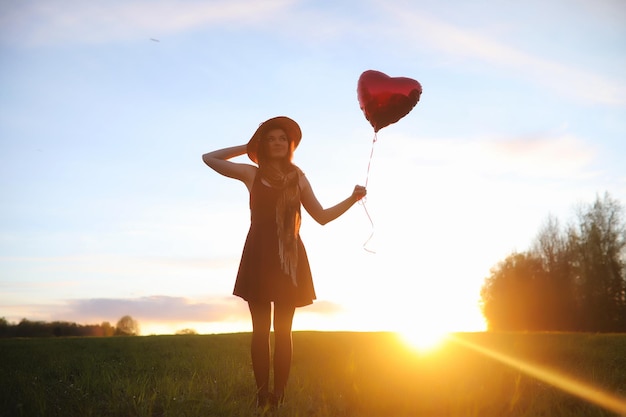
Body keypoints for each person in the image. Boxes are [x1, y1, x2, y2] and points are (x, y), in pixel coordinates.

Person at [202, 116, 366, 409]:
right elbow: (209, 158)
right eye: (270, 138)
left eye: (282, 139)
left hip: (290, 259)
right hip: (258, 256)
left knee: (284, 331)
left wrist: (352, 199)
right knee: (261, 330)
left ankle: (279, 396)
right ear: (262, 144)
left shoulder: (299, 178)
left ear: (289, 145)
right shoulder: (252, 174)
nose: (277, 143)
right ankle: (262, 394)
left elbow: (322, 216)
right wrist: (248, 146)